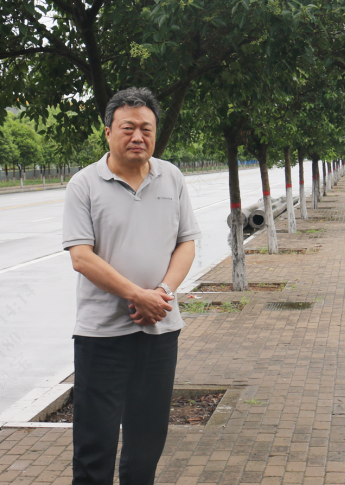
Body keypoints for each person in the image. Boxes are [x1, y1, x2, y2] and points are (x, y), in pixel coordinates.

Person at [62, 87, 201, 485]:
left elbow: (187, 242)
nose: (137, 136)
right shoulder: (84, 184)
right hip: (102, 335)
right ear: (108, 132)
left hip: (159, 331)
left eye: (146, 129)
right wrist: (135, 294)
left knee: (148, 440)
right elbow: (81, 257)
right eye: (128, 128)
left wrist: (162, 293)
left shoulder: (171, 176)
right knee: (95, 445)